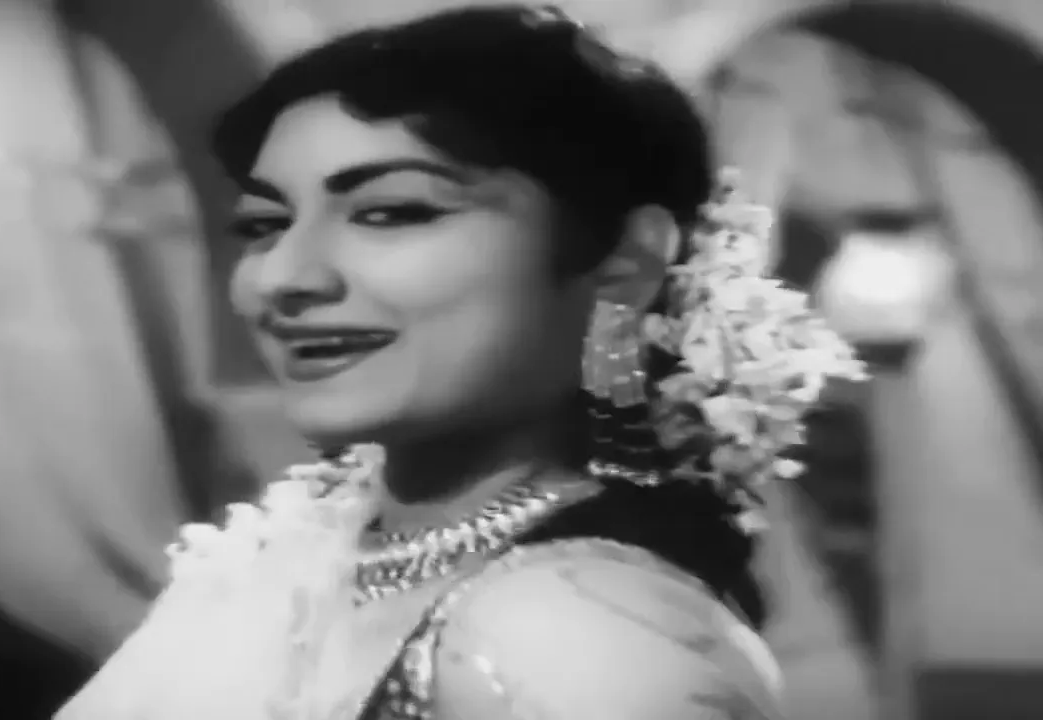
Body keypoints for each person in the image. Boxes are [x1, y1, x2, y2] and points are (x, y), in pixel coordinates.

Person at [55, 5, 865, 719]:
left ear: (625, 261)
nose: (284, 278)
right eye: (264, 226)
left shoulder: (577, 636)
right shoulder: (304, 557)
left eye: (391, 211)